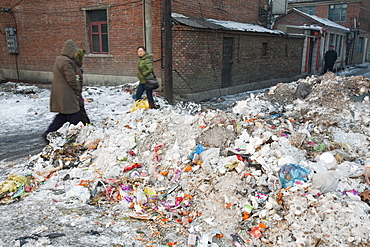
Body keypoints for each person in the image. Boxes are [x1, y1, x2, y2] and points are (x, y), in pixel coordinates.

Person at [43, 39, 81, 141]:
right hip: (66, 93)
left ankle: (49, 132)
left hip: (60, 92)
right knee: (74, 113)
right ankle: (74, 134)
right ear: (70, 51)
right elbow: (71, 79)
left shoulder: (59, 60)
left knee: (64, 114)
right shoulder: (66, 62)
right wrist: (77, 88)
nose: (75, 54)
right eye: (74, 52)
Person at [74, 48, 90, 125]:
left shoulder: (75, 66)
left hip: (74, 96)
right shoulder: (75, 68)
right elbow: (76, 83)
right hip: (74, 97)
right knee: (79, 114)